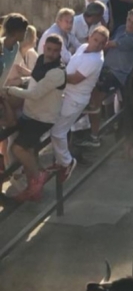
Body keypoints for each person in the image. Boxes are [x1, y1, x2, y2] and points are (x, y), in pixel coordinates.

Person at [1, 35, 65, 201]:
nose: (51, 53)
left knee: (17, 148)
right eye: (49, 49)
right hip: (31, 115)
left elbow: (34, 94)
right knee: (28, 150)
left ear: (60, 52)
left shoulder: (57, 72)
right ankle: (34, 190)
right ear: (44, 47)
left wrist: (9, 90)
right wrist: (22, 80)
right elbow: (36, 81)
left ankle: (38, 177)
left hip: (42, 118)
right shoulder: (42, 60)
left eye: (55, 51)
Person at [48, 27, 109, 182]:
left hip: (74, 100)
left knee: (57, 132)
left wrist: (54, 75)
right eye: (95, 40)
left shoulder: (95, 60)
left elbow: (75, 79)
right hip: (65, 94)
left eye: (101, 43)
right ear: (89, 37)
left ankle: (67, 162)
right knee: (56, 128)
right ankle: (60, 162)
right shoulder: (83, 48)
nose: (97, 44)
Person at [81, 9, 133, 148]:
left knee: (94, 100)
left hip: (116, 75)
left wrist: (85, 48)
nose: (130, 25)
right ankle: (90, 131)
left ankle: (94, 136)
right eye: (129, 20)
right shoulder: (122, 29)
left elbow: (108, 44)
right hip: (105, 69)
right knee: (88, 94)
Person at [0, 14, 29, 89]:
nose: (26, 34)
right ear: (17, 32)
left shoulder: (16, 46)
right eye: (25, 31)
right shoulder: (1, 47)